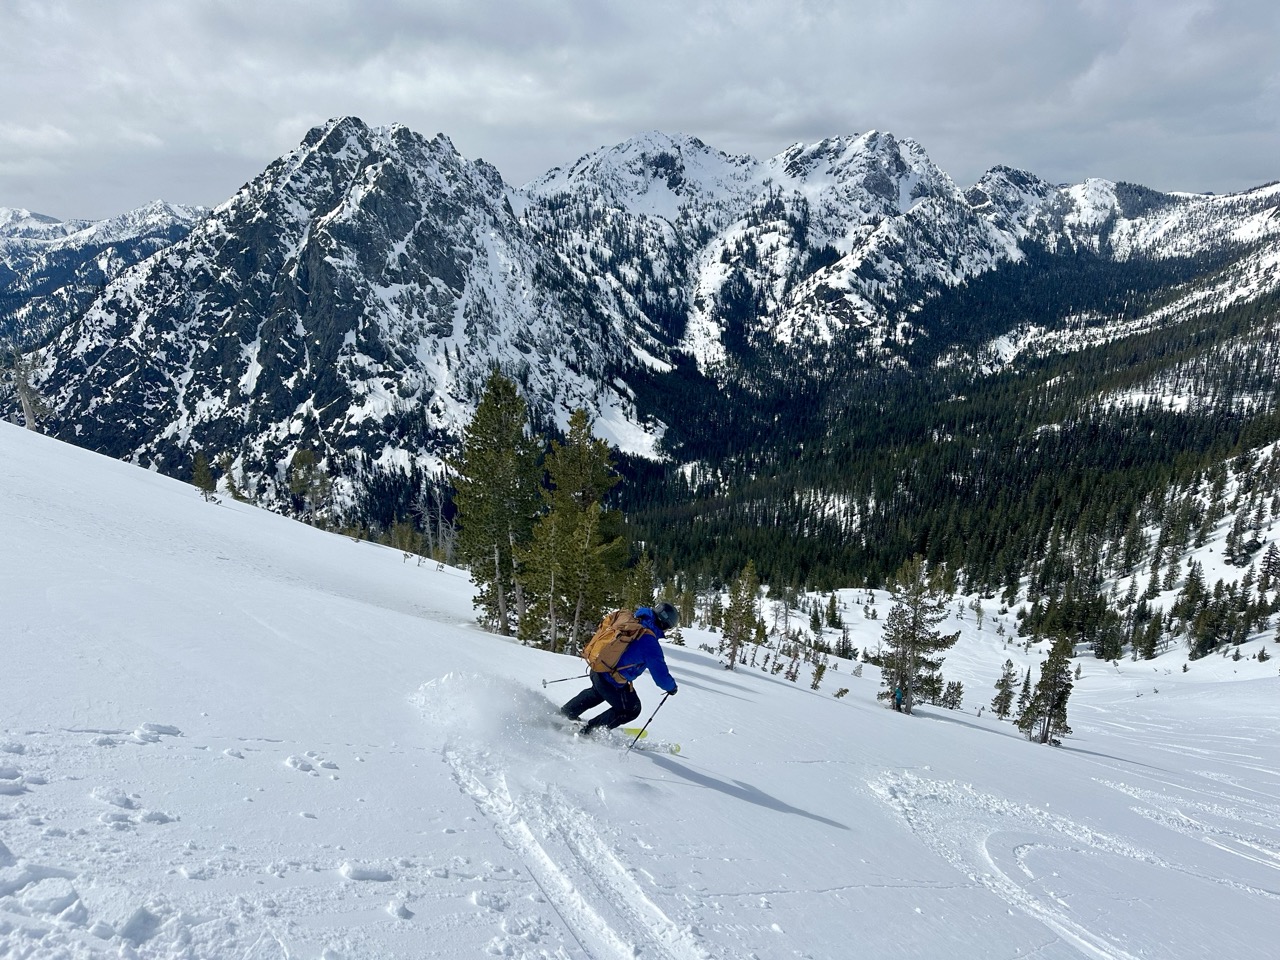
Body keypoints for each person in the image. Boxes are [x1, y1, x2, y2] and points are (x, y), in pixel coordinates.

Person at [561, 602, 680, 733]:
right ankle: (589, 731)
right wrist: (672, 687)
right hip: (611, 679)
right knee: (631, 709)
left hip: (598, 668)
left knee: (597, 692)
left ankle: (566, 713)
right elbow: (661, 676)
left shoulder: (633, 620)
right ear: (664, 624)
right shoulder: (649, 642)